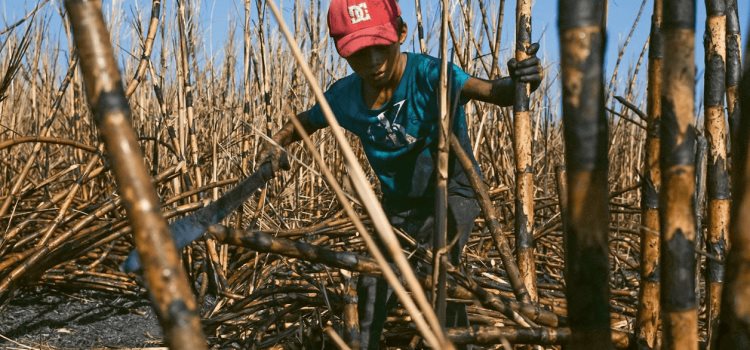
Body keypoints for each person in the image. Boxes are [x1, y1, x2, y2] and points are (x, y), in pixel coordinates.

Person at [259, 0, 541, 348]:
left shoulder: (429, 74)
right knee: (372, 285)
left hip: (453, 193)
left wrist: (520, 81)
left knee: (439, 271)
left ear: (400, 33)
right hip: (399, 208)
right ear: (342, 52)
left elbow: (491, 91)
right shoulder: (346, 97)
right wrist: (277, 143)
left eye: (381, 47)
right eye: (360, 53)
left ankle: (456, 341)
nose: (374, 62)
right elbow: (305, 122)